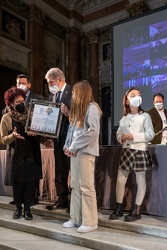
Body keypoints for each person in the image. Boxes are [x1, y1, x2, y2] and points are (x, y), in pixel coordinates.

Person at [109, 87, 155, 222]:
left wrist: (133, 136)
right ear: (127, 101)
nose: (137, 97)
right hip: (126, 151)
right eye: (133, 95)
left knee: (140, 181)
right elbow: (118, 133)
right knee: (120, 180)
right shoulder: (124, 118)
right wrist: (121, 138)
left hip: (140, 150)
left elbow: (150, 134)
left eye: (139, 95)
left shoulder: (145, 116)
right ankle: (119, 207)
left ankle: (137, 209)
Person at [62, 80, 102, 233]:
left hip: (86, 152)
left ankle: (90, 221)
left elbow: (92, 132)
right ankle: (76, 218)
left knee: (86, 186)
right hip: (76, 152)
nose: (72, 95)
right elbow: (72, 132)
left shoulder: (92, 108)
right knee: (75, 186)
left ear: (81, 93)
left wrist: (74, 146)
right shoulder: (77, 110)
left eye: (74, 92)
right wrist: (68, 146)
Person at [0, 86, 42, 220]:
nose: (21, 104)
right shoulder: (6, 118)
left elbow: (42, 132)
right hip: (16, 153)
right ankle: (18, 208)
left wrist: (36, 132)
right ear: (11, 103)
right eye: (18, 102)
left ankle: (28, 209)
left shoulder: (31, 115)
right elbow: (3, 140)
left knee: (29, 181)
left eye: (23, 101)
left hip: (30, 153)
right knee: (19, 182)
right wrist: (13, 135)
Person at [44, 68, 72, 211]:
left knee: (72, 170)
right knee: (60, 171)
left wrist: (69, 113)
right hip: (57, 138)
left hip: (71, 139)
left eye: (51, 82)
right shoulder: (52, 96)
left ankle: (73, 201)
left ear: (59, 79)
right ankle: (62, 199)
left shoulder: (73, 92)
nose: (50, 86)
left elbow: (79, 115)